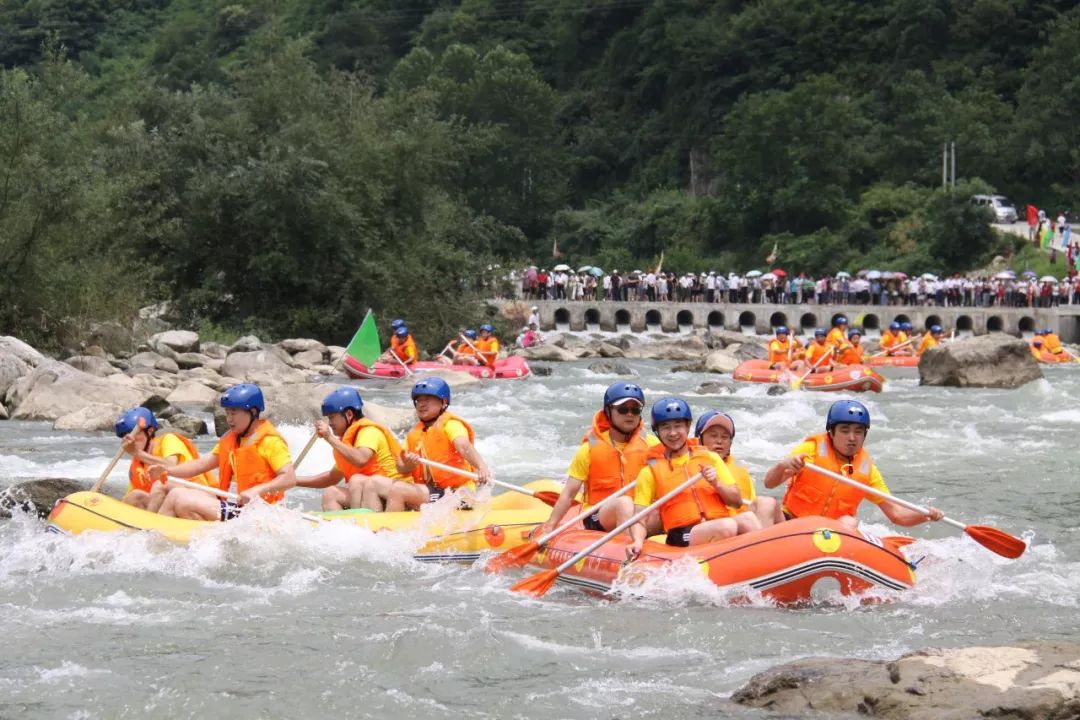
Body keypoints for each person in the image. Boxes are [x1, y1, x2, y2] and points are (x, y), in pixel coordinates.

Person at [763, 399, 944, 529]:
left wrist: (925, 515)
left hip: (828, 536)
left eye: (858, 432)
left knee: (850, 522)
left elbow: (897, 515)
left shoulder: (867, 471)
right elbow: (769, 483)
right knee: (766, 503)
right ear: (831, 432)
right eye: (844, 430)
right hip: (791, 524)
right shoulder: (810, 450)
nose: (852, 438)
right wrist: (783, 465)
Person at [625, 398, 758, 558]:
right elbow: (639, 517)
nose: (673, 433)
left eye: (678, 426)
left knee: (748, 519)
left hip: (716, 522)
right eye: (666, 427)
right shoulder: (649, 472)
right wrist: (638, 541)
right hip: (681, 534)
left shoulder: (711, 458)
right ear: (657, 432)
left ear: (687, 427)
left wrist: (717, 483)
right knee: (727, 526)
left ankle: (764, 565)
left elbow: (736, 501)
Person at [150, 384, 297, 521]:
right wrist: (168, 471)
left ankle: (174, 538)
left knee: (184, 502)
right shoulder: (232, 439)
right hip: (233, 503)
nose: (229, 419)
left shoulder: (270, 441)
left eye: (233, 413)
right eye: (227, 413)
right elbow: (201, 464)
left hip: (257, 513)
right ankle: (154, 534)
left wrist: (256, 491)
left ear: (252, 412)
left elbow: (289, 478)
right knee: (173, 491)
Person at [537, 383, 656, 536]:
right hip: (598, 515)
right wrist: (550, 525)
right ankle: (628, 553)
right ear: (608, 411)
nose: (630, 414)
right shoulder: (589, 449)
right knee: (624, 503)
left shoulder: (652, 445)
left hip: (639, 511)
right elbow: (569, 493)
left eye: (635, 409)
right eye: (623, 409)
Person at [295, 387, 407, 511]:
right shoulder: (347, 442)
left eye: (332, 417)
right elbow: (332, 478)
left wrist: (329, 438)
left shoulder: (369, 432)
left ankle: (363, 524)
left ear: (349, 414)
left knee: (356, 480)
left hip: (391, 495)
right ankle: (345, 528)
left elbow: (361, 459)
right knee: (331, 493)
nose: (330, 423)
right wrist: (294, 480)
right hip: (367, 495)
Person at [389, 378, 493, 511]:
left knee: (398, 489)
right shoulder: (414, 434)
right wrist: (408, 466)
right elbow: (400, 468)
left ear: (443, 402)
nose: (422, 404)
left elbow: (463, 445)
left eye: (428, 399)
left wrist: (481, 466)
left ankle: (391, 530)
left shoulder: (451, 424)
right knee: (391, 485)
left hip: (458, 494)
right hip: (434, 491)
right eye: (419, 400)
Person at [114, 407, 216, 512]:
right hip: (166, 505)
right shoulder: (137, 462)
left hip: (196, 497)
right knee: (134, 496)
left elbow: (171, 466)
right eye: (124, 436)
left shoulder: (169, 440)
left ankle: (150, 525)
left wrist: (137, 453)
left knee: (161, 484)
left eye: (134, 433)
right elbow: (129, 496)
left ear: (150, 431)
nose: (130, 440)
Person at [694, 411, 782, 528]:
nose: (719, 441)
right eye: (713, 435)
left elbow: (752, 504)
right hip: (711, 528)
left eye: (724, 437)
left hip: (743, 527)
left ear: (730, 443)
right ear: (699, 439)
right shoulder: (689, 465)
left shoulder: (740, 468)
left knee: (767, 503)